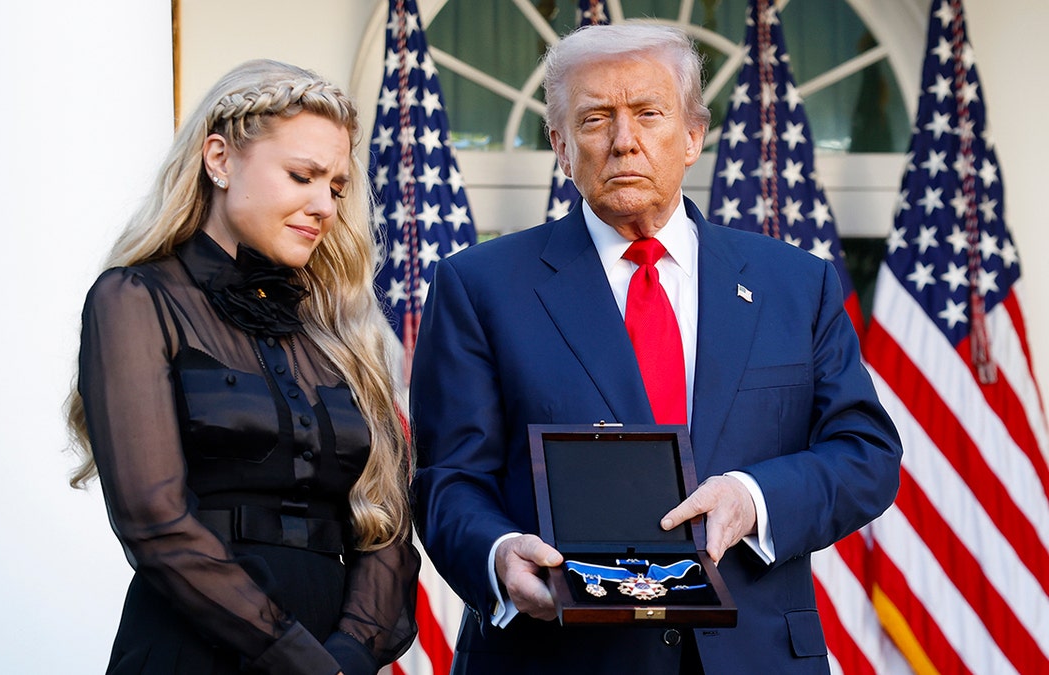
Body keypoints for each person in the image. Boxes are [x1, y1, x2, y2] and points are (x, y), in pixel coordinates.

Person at [409, 23, 901, 674]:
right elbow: (448, 481)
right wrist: (498, 555)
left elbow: (865, 454)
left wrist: (752, 498)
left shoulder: (795, 284)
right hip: (558, 656)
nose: (623, 140)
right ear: (560, 146)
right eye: (595, 119)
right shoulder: (478, 287)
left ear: (692, 136)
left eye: (648, 113)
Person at [66, 59, 418, 675]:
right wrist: (302, 662)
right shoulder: (135, 299)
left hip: (334, 651)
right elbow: (155, 524)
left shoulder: (342, 329)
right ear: (220, 160)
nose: (324, 205)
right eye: (302, 176)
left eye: (336, 188)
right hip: (193, 652)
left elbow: (386, 529)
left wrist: (351, 653)